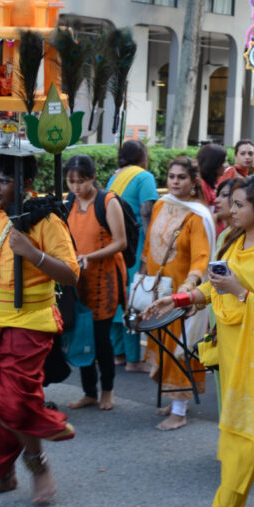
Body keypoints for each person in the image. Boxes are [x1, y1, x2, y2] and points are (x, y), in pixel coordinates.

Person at [144, 174, 254, 507]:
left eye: (239, 205)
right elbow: (214, 284)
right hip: (234, 354)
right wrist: (180, 299)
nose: (230, 210)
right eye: (231, 203)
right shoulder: (233, 242)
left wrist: (242, 293)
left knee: (242, 434)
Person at [0, 154, 79, 505]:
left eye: (3, 180)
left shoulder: (45, 218)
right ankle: (3, 474)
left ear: (24, 184)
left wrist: (33, 254)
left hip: (28, 323)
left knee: (11, 401)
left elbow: (71, 274)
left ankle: (38, 465)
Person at [140, 156, 215, 430]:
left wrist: (189, 286)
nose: (174, 182)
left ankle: (179, 411)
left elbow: (202, 257)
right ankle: (173, 400)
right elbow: (149, 245)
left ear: (193, 182)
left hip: (182, 294)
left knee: (179, 346)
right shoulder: (161, 204)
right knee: (163, 342)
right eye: (171, 176)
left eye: (181, 177)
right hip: (158, 289)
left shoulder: (197, 216)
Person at [65, 154, 127, 409]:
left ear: (92, 178)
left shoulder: (107, 201)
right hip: (79, 279)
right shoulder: (70, 201)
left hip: (104, 280)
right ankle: (89, 392)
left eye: (81, 181)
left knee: (101, 338)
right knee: (82, 334)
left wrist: (89, 256)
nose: (76, 187)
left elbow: (120, 242)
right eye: (71, 181)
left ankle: (108, 391)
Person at [106, 140, 158, 371]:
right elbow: (147, 211)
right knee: (134, 297)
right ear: (143, 156)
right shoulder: (144, 177)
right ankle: (134, 360)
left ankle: (119, 355)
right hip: (136, 243)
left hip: (117, 242)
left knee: (119, 295)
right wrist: (151, 244)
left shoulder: (114, 177)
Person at [196, 143, 227, 211]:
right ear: (214, 163)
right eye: (224, 161)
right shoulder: (202, 186)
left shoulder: (211, 183)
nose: (227, 165)